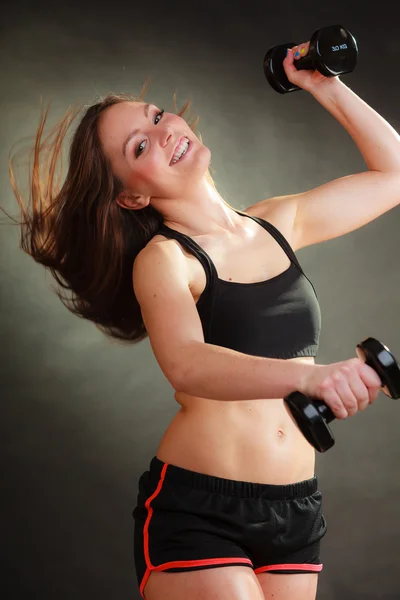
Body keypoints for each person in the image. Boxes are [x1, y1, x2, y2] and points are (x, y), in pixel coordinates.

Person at [8, 41, 400, 600]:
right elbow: (187, 364)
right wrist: (306, 377)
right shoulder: (165, 261)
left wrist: (322, 84)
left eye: (157, 116)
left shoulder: (276, 224)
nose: (166, 131)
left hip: (295, 509)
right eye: (141, 145)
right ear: (130, 197)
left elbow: (395, 172)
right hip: (201, 510)